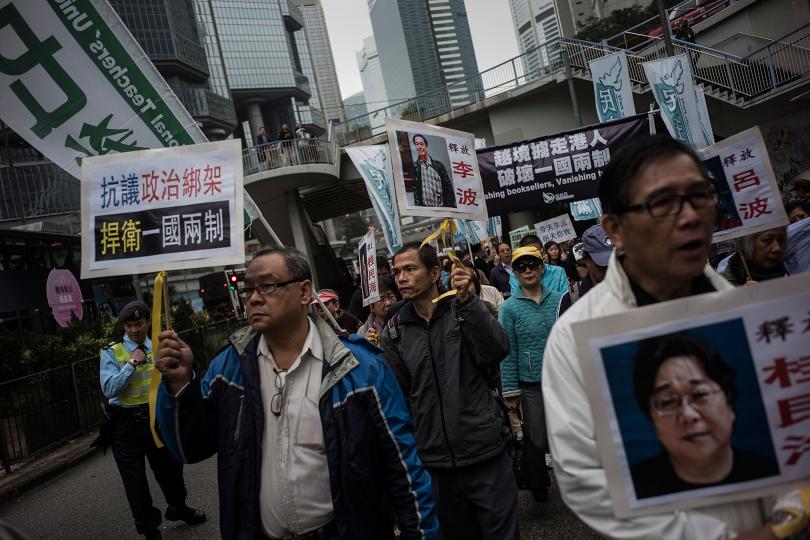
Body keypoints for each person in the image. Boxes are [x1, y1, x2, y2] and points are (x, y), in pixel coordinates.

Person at [542, 134, 805, 539]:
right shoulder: (574, 336)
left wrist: (789, 513)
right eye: (663, 203)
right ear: (615, 228)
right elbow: (584, 477)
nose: (690, 217)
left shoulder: (748, 309)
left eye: (701, 195)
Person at [154, 248, 438, 540]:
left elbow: (403, 467)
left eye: (267, 286)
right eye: (247, 289)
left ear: (304, 292)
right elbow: (189, 449)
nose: (253, 297)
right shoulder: (228, 369)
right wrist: (179, 385)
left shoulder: (360, 368)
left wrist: (420, 532)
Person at [381, 243, 519, 540]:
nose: (401, 278)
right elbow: (398, 395)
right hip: (435, 464)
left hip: (485, 453)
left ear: (434, 274)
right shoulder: (394, 331)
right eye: (396, 272)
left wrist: (469, 303)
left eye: (409, 269)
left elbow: (497, 350)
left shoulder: (464, 309)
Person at [99, 301, 206, 540]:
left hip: (155, 418)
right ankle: (149, 528)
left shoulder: (161, 345)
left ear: (148, 321)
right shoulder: (111, 351)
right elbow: (108, 389)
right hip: (124, 424)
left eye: (138, 324)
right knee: (134, 481)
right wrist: (132, 363)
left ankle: (179, 506)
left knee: (171, 469)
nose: (134, 330)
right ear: (123, 326)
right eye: (129, 325)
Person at [630, 333, 779, 499]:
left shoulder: (773, 471)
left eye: (700, 395)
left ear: (729, 402)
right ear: (651, 418)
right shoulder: (634, 489)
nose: (688, 414)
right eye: (667, 402)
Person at [498, 246, 564, 502]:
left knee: (568, 430)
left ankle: (579, 479)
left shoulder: (559, 299)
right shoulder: (509, 308)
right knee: (536, 437)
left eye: (532, 264)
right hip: (531, 384)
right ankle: (538, 482)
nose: (527, 270)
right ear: (514, 272)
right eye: (521, 266)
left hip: (562, 379)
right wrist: (510, 391)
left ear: (541, 267)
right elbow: (508, 352)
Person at [558, 224, 614, 315]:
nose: (610, 270)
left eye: (615, 263)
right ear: (587, 260)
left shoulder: (636, 288)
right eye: (602, 266)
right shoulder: (571, 300)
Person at [721, 227, 788, 286]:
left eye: (781, 240)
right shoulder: (726, 284)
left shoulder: (788, 270)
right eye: (767, 240)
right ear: (746, 244)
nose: (777, 248)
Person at [411, 133, 455, 208]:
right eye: (417, 144)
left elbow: (449, 190)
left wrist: (449, 208)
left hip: (442, 209)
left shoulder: (439, 166)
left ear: (426, 145)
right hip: (427, 213)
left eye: (421, 144)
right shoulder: (415, 167)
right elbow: (416, 193)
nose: (419, 147)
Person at [357, 278, 398, 346]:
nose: (388, 303)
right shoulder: (363, 332)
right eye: (381, 300)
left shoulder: (406, 318)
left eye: (391, 296)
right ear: (372, 307)